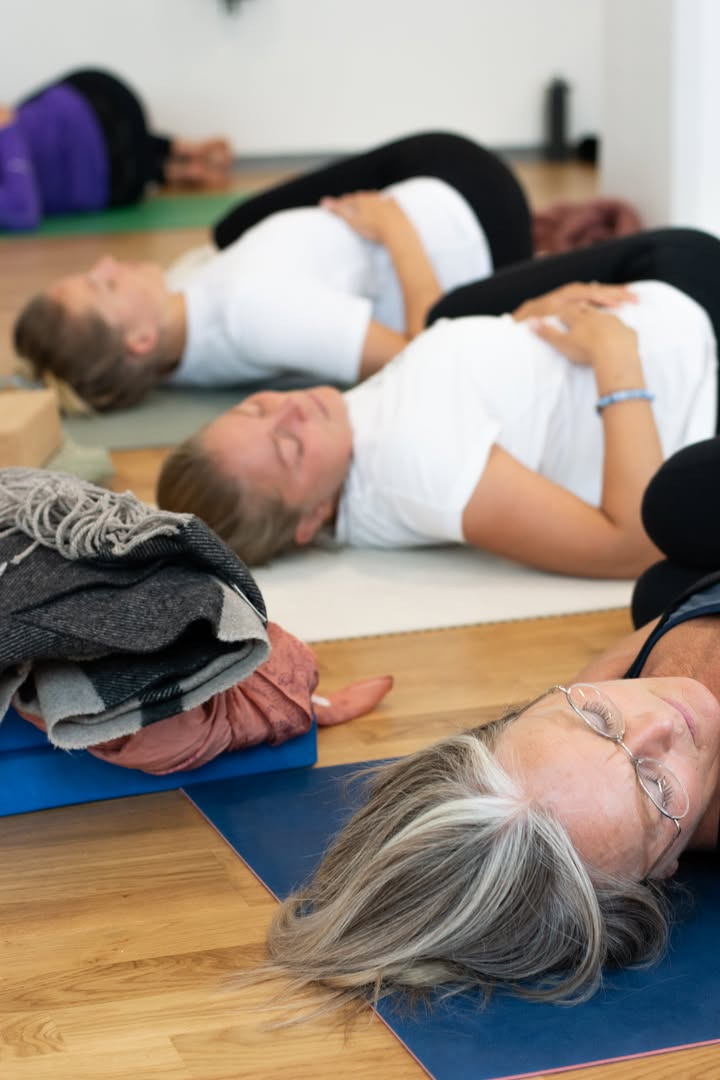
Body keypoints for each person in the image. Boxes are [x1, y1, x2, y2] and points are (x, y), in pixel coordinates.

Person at [256, 479, 720, 1016]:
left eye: (596, 717)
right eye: (655, 786)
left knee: (670, 535)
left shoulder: (603, 711)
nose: (661, 722)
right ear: (664, 868)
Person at [157, 227, 720, 578]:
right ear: (309, 520)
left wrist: (527, 318)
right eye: (286, 447)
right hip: (701, 364)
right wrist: (614, 354)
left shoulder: (352, 435)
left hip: (668, 304)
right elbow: (629, 545)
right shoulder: (414, 469)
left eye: (254, 410)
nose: (290, 410)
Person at [12, 131, 532, 411]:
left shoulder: (177, 340)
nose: (107, 264)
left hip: (433, 204)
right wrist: (394, 226)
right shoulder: (258, 311)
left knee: (229, 229)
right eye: (103, 285)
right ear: (141, 340)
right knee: (233, 227)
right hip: (481, 212)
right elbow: (424, 356)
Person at [0, 68, 232, 231]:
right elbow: (23, 212)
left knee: (104, 133)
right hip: (112, 171)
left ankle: (176, 159)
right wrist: (8, 130)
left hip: (98, 114)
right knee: (119, 147)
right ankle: (177, 159)